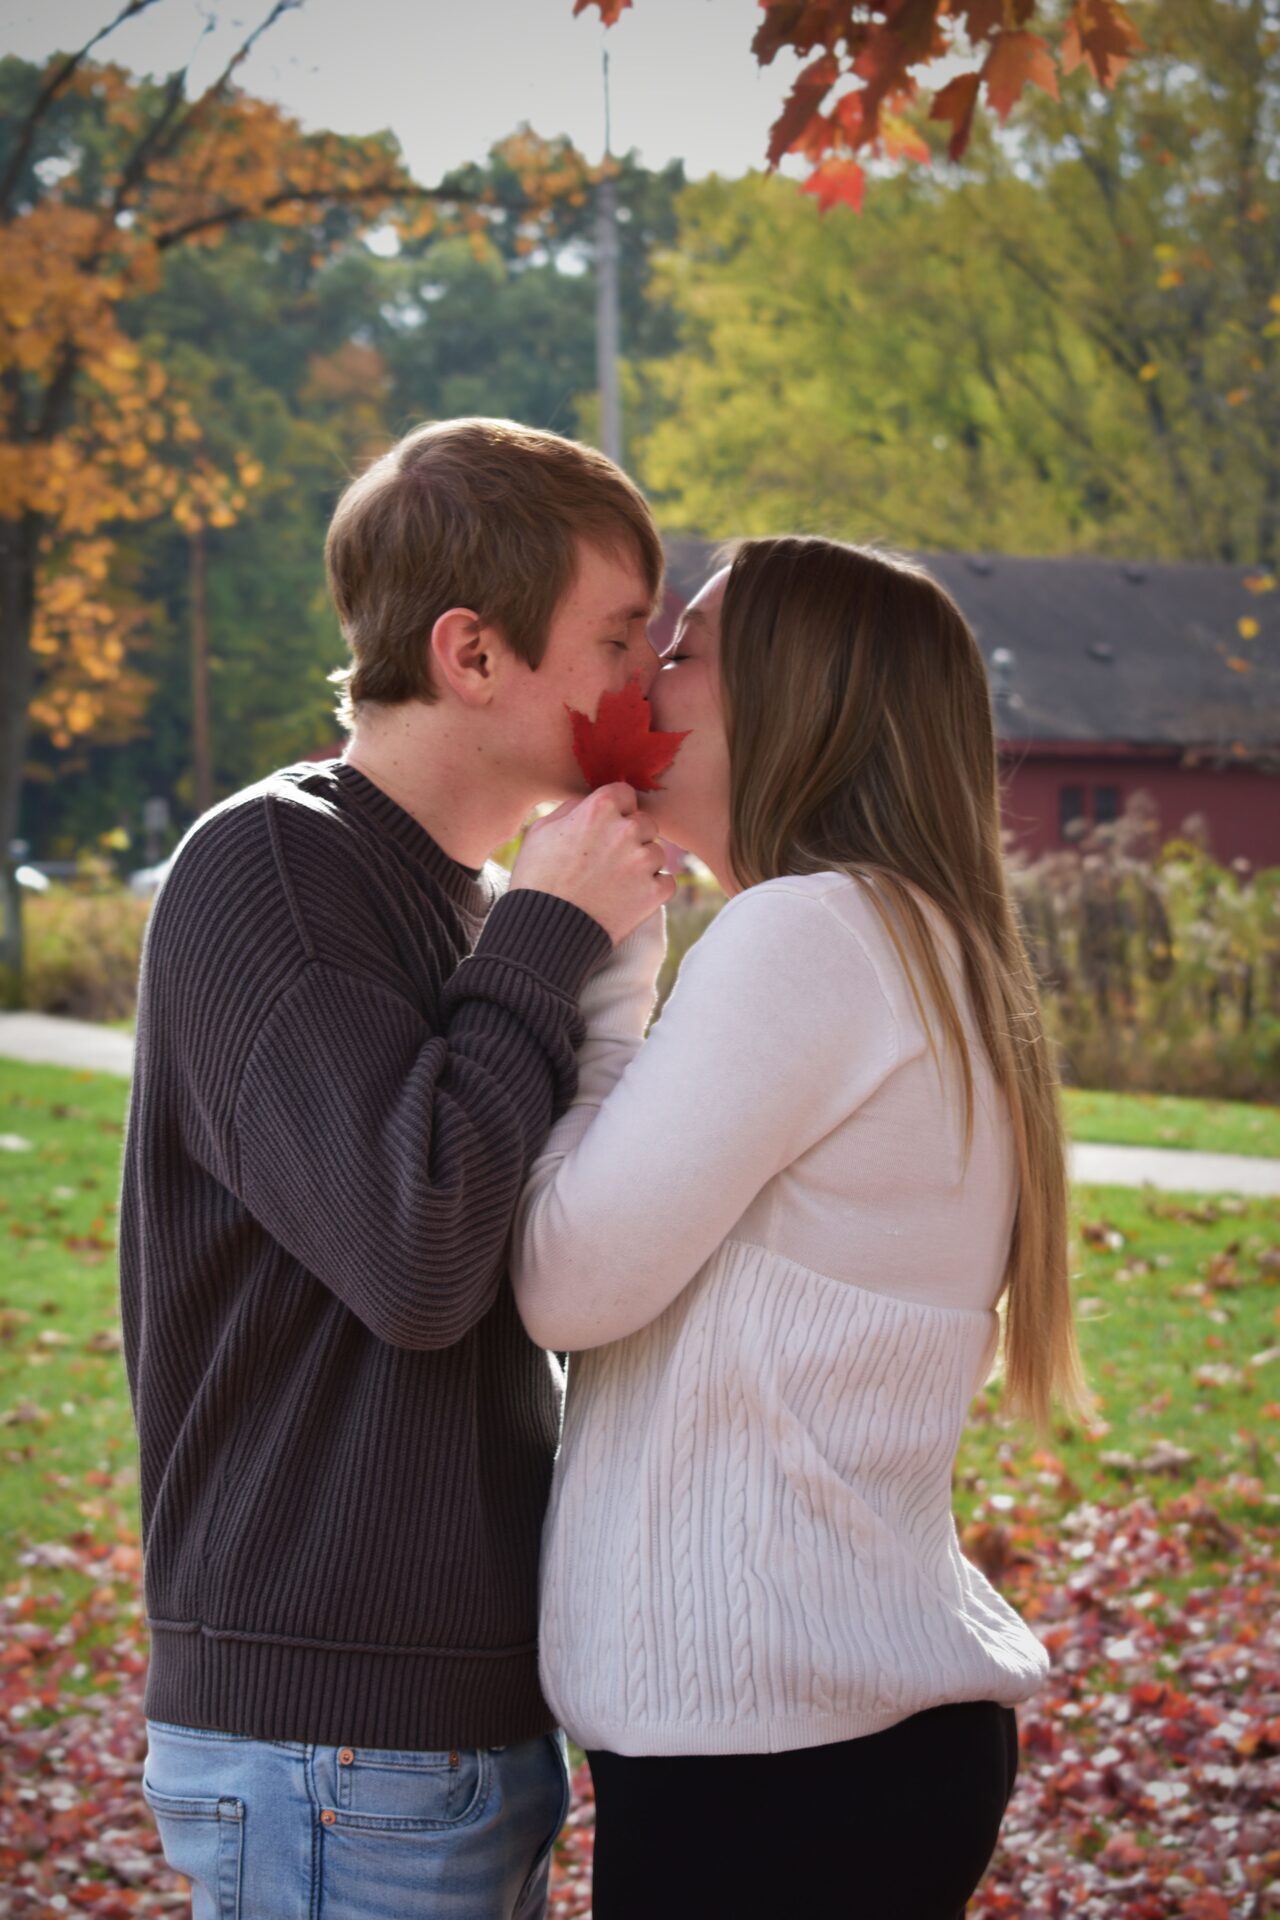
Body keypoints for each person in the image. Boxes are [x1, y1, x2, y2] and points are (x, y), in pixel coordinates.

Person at [119, 418, 676, 1920]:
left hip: (442, 1724)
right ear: (472, 654)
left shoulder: (471, 904)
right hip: (333, 1736)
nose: (645, 689)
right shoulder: (273, 871)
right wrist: (546, 945)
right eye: (618, 642)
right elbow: (420, 1253)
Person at [510, 536, 1091, 1920]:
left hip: (779, 1772)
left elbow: (561, 1282)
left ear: (797, 699)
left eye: (690, 648)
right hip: (825, 1755)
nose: (650, 674)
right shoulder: (914, 940)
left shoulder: (810, 939)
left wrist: (591, 953)